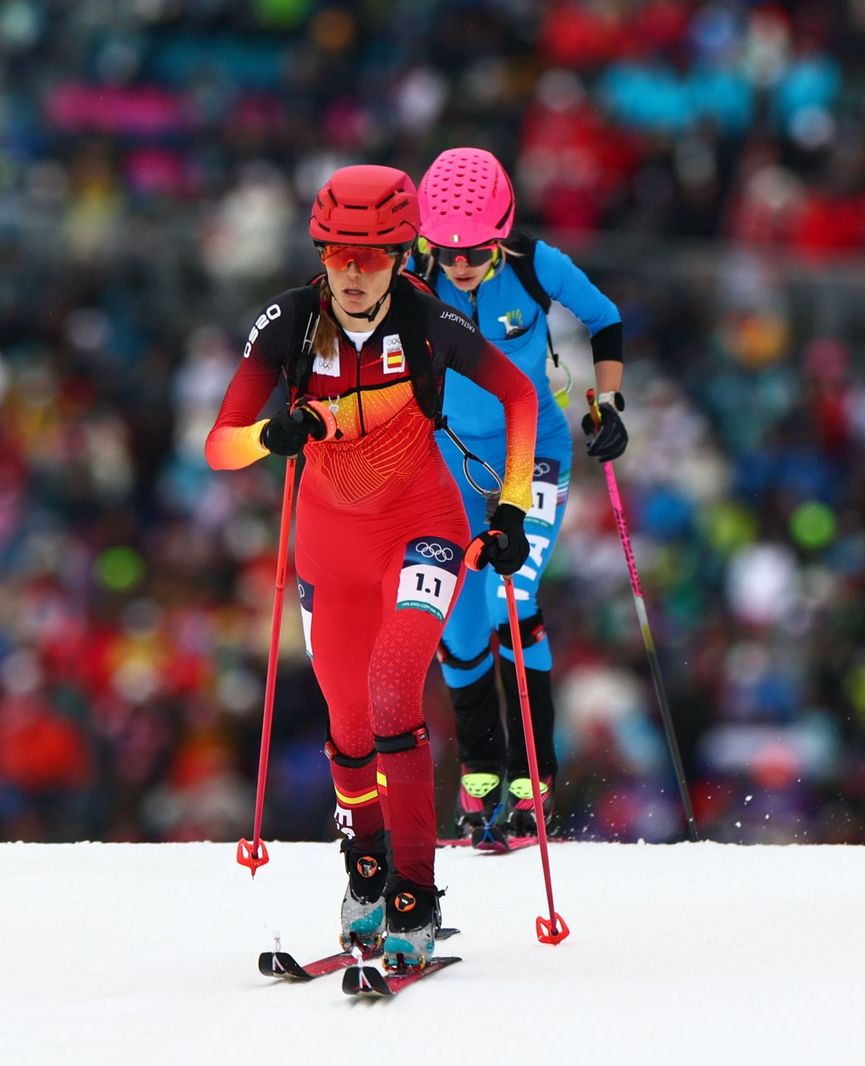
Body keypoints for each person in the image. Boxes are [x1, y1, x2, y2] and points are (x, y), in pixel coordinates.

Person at [206, 165, 538, 968]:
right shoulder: (287, 321)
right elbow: (219, 443)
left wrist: (512, 509)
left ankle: (414, 894)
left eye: (374, 257)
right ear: (320, 252)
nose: (354, 274)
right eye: (339, 255)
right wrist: (269, 437)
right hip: (329, 546)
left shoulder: (428, 322)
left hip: (421, 529)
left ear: (402, 253)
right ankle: (365, 871)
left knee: (395, 688)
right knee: (349, 725)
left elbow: (520, 396)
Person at [413, 147, 625, 844]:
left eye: (472, 252)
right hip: (450, 462)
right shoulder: (414, 273)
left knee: (513, 596)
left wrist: (608, 401)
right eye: (446, 253)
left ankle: (534, 780)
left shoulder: (538, 266)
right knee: (456, 620)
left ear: (500, 234)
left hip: (530, 459)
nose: (459, 266)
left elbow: (605, 319)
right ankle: (479, 780)